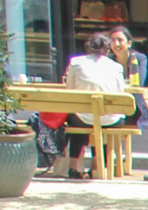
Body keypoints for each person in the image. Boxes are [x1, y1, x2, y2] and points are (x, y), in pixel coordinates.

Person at [55, 31, 128, 179]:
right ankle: (97, 166)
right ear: (108, 50)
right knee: (101, 121)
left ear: (88, 47)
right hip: (110, 120)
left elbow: (70, 89)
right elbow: (120, 92)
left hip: (82, 117)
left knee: (78, 118)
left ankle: (74, 166)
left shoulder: (75, 62)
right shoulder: (116, 67)